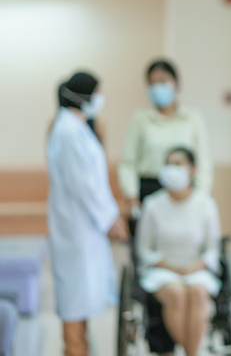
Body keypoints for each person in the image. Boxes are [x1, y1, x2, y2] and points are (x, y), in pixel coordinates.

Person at [47, 71, 128, 356]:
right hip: (76, 232)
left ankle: (78, 348)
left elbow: (95, 181)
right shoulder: (68, 132)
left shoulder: (77, 128)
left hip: (84, 230)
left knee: (80, 305)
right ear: (83, 96)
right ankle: (74, 349)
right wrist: (109, 219)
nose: (100, 99)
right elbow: (83, 184)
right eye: (97, 93)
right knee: (74, 305)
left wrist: (110, 215)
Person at [135, 147, 221, 356]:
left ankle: (191, 353)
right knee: (176, 294)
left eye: (178, 164)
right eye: (169, 164)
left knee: (198, 293)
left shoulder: (206, 205)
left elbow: (212, 251)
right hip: (162, 268)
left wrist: (195, 266)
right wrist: (169, 266)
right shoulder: (152, 204)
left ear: (192, 170)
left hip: (196, 267)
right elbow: (143, 249)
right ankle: (192, 351)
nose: (172, 169)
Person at [119, 59, 213, 217]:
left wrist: (200, 196)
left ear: (176, 83)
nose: (157, 88)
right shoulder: (140, 119)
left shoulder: (192, 118)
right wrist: (131, 196)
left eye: (162, 81)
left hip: (184, 190)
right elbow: (128, 162)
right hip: (148, 189)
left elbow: (203, 161)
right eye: (152, 83)